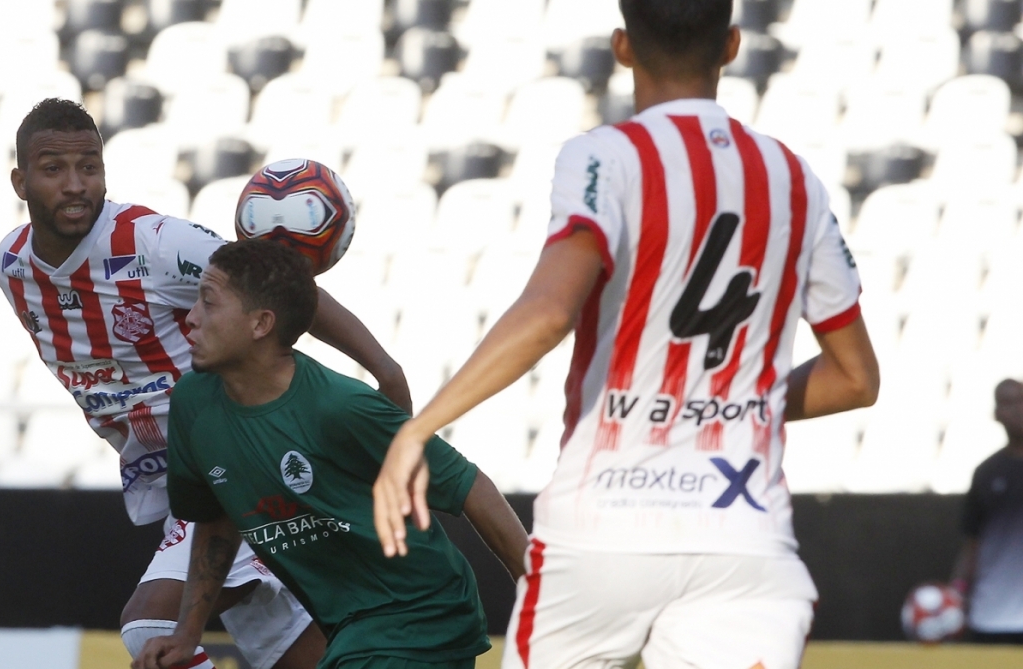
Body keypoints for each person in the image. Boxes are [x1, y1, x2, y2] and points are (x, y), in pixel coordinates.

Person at [373, 1, 881, 668]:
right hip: (741, 535)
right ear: (731, 46)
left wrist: (418, 428)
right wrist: (734, 402)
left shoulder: (603, 157)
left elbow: (551, 311)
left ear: (621, 46)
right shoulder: (794, 179)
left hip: (604, 527)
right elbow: (855, 378)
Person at [0, 98, 413, 669]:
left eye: (89, 167)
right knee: (301, 657)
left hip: (243, 460)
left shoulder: (156, 243)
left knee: (151, 628)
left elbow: (275, 288)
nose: (75, 185)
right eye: (53, 170)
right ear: (20, 180)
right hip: (180, 477)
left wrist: (384, 369)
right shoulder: (12, 266)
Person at [132, 240, 530, 669]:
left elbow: (469, 485)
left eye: (208, 303)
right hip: (348, 629)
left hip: (420, 617)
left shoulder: (339, 407)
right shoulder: (193, 403)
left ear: (261, 324)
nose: (190, 318)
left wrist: (539, 599)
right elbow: (215, 519)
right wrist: (185, 635)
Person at [951, 379, 1023, 644]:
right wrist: (957, 593)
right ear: (996, 414)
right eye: (1007, 403)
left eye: (1021, 400)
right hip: (990, 618)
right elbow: (972, 543)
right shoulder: (986, 473)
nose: (1017, 409)